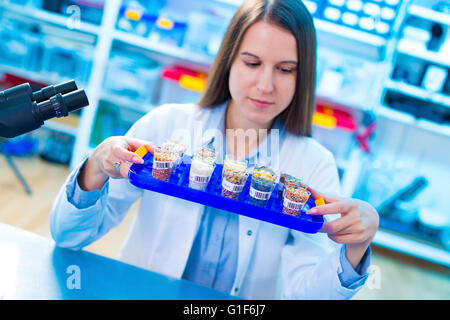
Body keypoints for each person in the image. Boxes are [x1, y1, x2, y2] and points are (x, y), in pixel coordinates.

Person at [50, 0, 379, 299]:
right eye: (252, 63)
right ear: (228, 60)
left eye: (285, 69)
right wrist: (94, 167)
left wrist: (355, 250)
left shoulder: (313, 164)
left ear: (302, 76)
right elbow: (68, 236)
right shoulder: (165, 126)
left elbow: (308, 296)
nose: (266, 85)